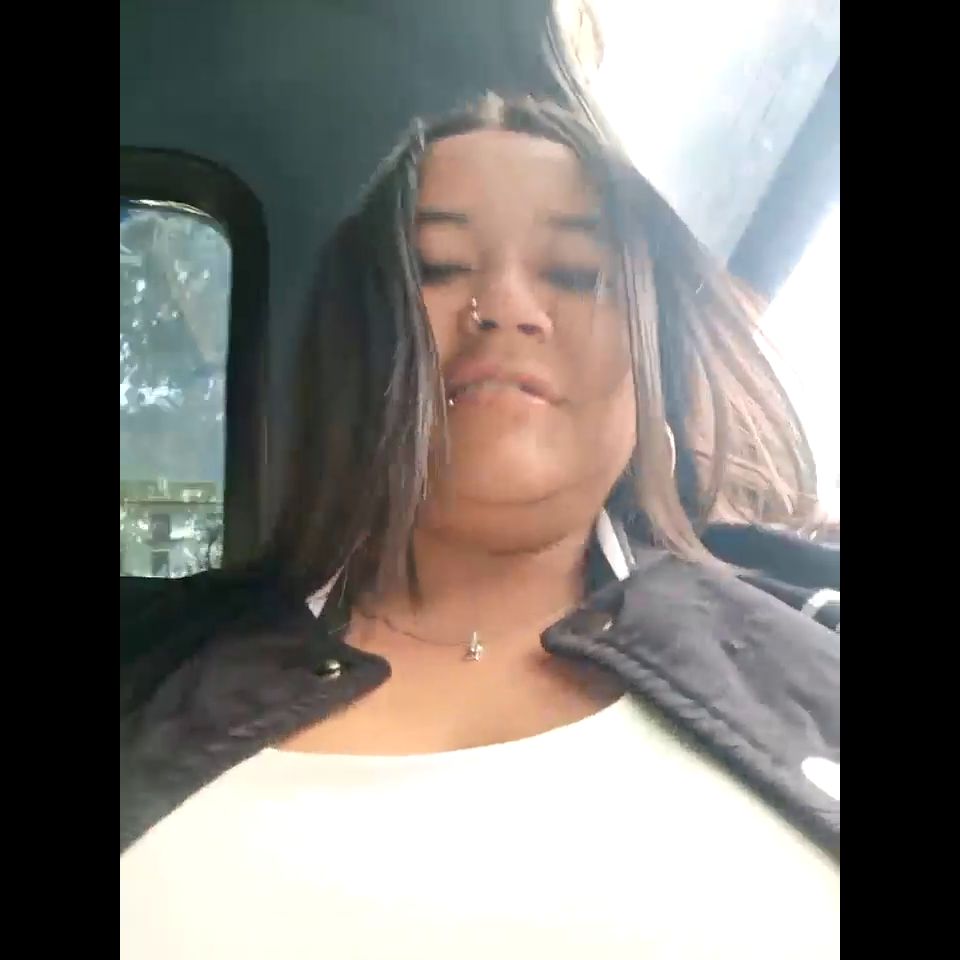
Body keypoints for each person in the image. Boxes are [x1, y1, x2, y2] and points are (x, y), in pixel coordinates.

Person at [120, 94, 839, 958]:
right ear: (351, 348)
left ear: (654, 371)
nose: (503, 305)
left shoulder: (814, 651)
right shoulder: (147, 668)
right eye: (437, 265)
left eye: (577, 272)